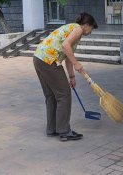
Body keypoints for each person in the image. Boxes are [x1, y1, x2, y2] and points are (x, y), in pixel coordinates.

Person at [32, 12, 98, 141]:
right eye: (91, 28)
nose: (90, 32)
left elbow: (68, 55)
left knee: (51, 95)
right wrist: (77, 63)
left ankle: (52, 129)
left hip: (39, 58)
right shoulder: (78, 29)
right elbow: (65, 45)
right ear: (86, 25)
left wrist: (72, 76)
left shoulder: (71, 28)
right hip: (49, 60)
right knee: (64, 95)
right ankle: (64, 130)